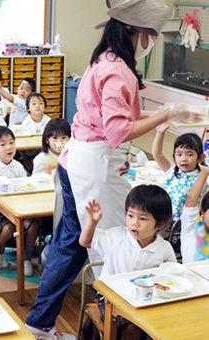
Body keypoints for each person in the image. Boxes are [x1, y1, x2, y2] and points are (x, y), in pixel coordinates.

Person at [24, 1, 187, 338]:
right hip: (94, 166)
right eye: (152, 36)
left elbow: (118, 119)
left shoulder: (105, 59)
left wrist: (164, 113)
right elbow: (118, 131)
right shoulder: (117, 70)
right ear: (139, 34)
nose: (151, 42)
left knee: (70, 246)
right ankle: (114, 325)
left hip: (78, 160)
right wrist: (166, 115)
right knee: (119, 247)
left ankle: (42, 322)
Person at [79, 185, 175, 339]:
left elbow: (172, 277)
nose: (134, 223)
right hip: (110, 299)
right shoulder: (116, 237)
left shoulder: (164, 248)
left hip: (146, 302)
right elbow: (85, 242)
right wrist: (92, 221)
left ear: (160, 225)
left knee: (161, 322)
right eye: (130, 216)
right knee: (135, 326)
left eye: (142, 218)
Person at [0, 126, 38, 276]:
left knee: (33, 225)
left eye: (11, 143)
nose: (9, 147)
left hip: (18, 205)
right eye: (3, 144)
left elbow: (24, 186)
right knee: (9, 228)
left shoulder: (18, 166)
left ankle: (26, 258)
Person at [32, 119, 71, 263]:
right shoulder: (42, 159)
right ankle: (48, 247)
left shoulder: (71, 157)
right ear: (47, 140)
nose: (59, 141)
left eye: (63, 138)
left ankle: (53, 245)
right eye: (54, 138)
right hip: (45, 201)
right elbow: (35, 182)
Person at [180, 165, 209, 263]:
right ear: (202, 210)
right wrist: (204, 173)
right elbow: (192, 200)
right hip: (190, 277)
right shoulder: (191, 225)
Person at [19, 93, 52, 172]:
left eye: (40, 103)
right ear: (28, 108)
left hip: (45, 149)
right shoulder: (26, 122)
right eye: (33, 104)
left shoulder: (49, 121)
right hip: (31, 151)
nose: (37, 106)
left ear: (45, 107)